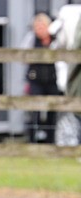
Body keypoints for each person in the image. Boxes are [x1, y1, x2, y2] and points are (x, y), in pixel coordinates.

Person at [23, 13, 61, 143]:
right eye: (37, 27)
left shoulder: (57, 40)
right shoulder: (31, 39)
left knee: (53, 111)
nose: (39, 29)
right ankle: (32, 141)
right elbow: (22, 56)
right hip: (35, 80)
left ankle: (51, 140)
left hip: (53, 80)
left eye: (42, 26)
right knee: (34, 110)